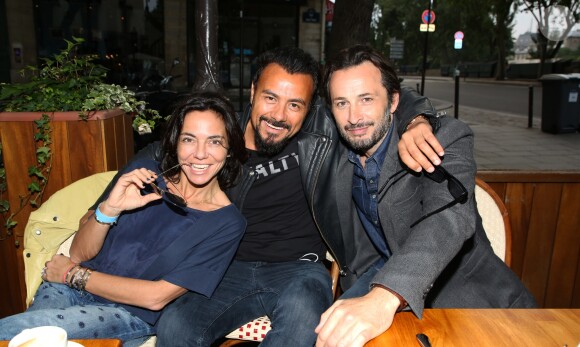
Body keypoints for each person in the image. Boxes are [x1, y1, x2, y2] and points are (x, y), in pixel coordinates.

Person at [85, 47, 440, 346]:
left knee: (305, 321)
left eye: (294, 105)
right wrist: (106, 204)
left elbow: (387, 95)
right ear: (253, 91)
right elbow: (165, 151)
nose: (278, 116)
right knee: (176, 324)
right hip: (223, 269)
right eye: (270, 97)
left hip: (299, 268)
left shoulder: (324, 133)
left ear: (311, 108)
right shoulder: (215, 141)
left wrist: (417, 120)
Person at [314, 45, 537, 347]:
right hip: (381, 288)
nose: (354, 117)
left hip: (472, 306)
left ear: (393, 101)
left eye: (366, 99)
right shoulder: (334, 153)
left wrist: (385, 296)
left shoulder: (441, 138)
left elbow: (447, 220)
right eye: (342, 103)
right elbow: (283, 112)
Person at [0, 92, 247, 345]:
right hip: (67, 289)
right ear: (175, 143)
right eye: (189, 139)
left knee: (23, 331)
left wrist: (73, 275)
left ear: (230, 150)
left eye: (215, 141)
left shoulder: (226, 222)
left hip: (125, 314)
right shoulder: (144, 176)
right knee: (31, 340)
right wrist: (109, 209)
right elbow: (78, 252)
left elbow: (156, 297)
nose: (200, 153)